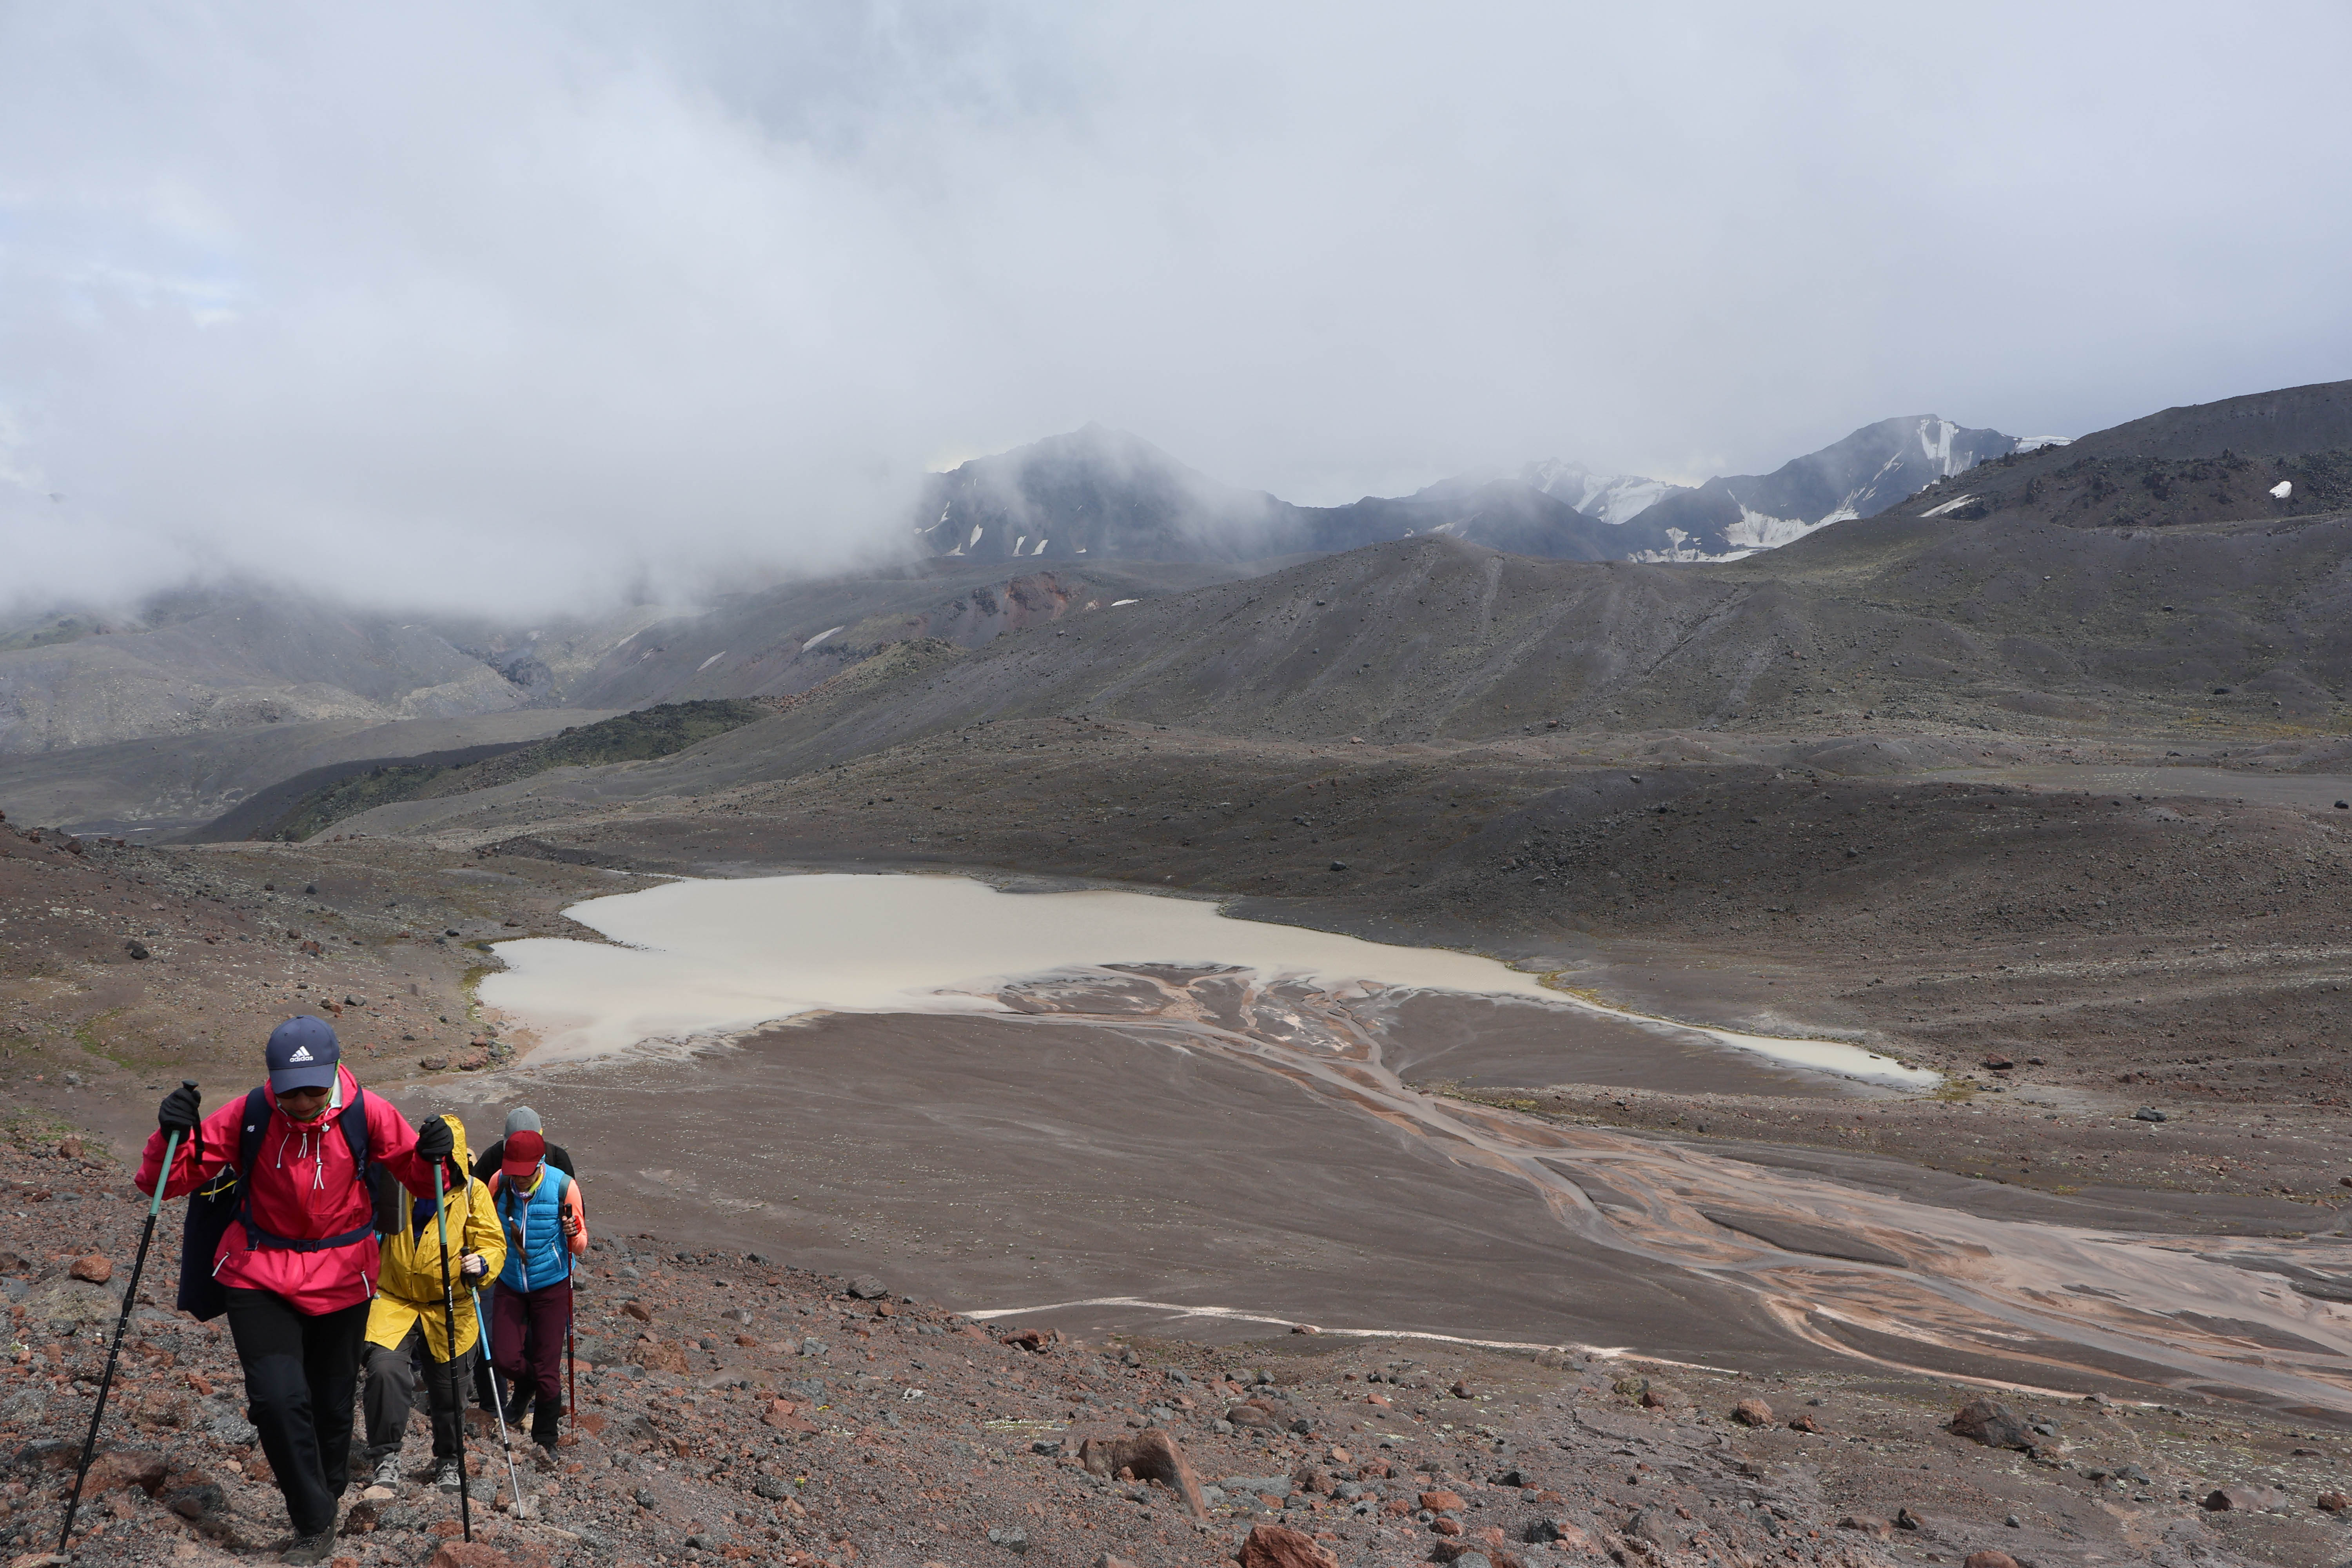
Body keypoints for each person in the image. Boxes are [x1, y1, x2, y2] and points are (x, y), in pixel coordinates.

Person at [142, 1016, 453, 1566]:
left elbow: (429, 1180)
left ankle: (326, 1493)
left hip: (345, 1276)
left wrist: (437, 1154)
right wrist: (170, 1134)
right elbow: (165, 1180)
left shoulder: (368, 1112)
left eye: (313, 1087)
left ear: (335, 1071)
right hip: (258, 1270)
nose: (304, 1101)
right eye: (291, 1090)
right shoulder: (250, 1114)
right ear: (273, 1080)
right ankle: (314, 1522)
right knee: (276, 1399)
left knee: (332, 1406)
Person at [360, 1112, 503, 1492]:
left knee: (450, 1388)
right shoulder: (398, 1183)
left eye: (445, 1162)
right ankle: (385, 1459)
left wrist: (483, 1262)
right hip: (396, 1298)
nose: (439, 1170)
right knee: (384, 1369)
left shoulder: (473, 1193)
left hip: (450, 1304)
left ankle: (449, 1461)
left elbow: (493, 1241)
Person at [488, 1127, 588, 1461]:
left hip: (552, 1286)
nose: (516, 1180)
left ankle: (546, 1438)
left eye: (522, 1173)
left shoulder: (563, 1187)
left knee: (549, 1369)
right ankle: (527, 1385)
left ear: (539, 1163)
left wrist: (573, 1234)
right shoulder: (499, 1183)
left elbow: (581, 1245)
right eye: (512, 1171)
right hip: (510, 1282)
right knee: (504, 1358)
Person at [468, 1107, 575, 1416]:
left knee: (541, 1353)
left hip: (549, 1274)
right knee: (502, 1345)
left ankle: (543, 1427)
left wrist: (570, 1234)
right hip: (507, 1269)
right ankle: (506, 1398)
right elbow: (478, 1208)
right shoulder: (494, 1164)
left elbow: (574, 1218)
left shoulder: (558, 1163)